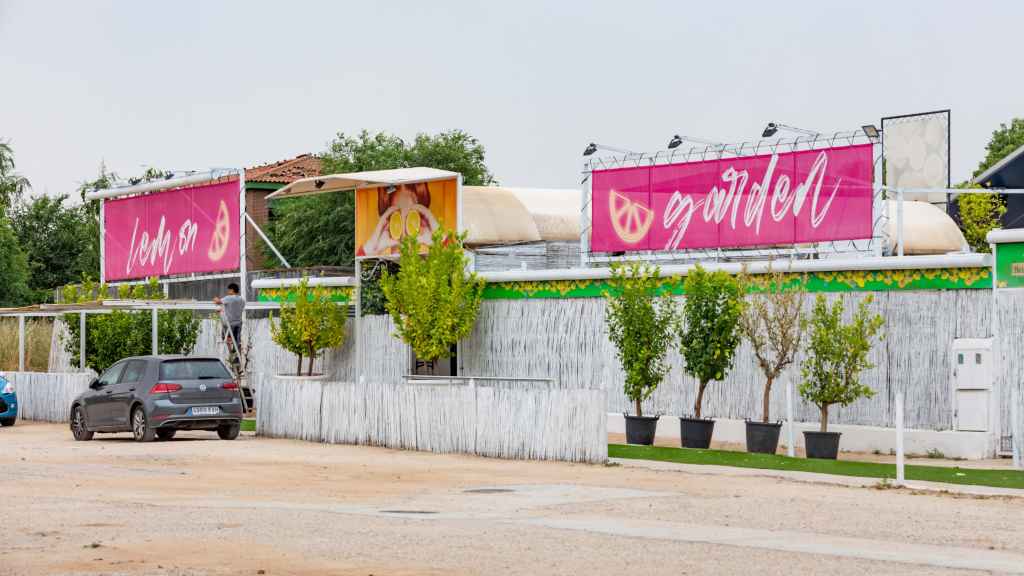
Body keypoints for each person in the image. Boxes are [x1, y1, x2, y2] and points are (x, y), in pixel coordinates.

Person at [214, 283, 245, 354]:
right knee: (236, 339)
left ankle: (231, 353)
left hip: (229, 324)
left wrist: (215, 298)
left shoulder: (229, 298)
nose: (228, 292)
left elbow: (217, 302)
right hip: (238, 323)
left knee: (225, 337)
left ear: (232, 290)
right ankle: (236, 352)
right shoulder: (242, 300)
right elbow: (234, 310)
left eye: (229, 290)